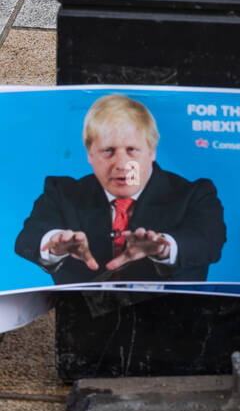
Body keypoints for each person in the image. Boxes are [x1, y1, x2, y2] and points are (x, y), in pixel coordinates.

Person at [15, 93, 226, 283]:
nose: (121, 164)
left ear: (151, 151)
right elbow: (29, 237)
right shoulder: (63, 193)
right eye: (108, 151)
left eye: (132, 150)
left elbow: (208, 242)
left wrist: (162, 248)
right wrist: (54, 245)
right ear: (89, 154)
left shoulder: (194, 194)